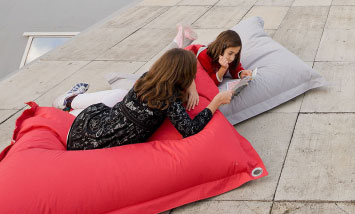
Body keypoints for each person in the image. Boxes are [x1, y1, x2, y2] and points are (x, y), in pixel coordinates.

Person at [57, 48, 233, 151]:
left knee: (113, 97)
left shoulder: (147, 77)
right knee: (114, 96)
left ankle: (68, 100)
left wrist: (190, 86)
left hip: (94, 126)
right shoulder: (169, 99)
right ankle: (68, 100)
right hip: (101, 142)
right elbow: (190, 130)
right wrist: (215, 102)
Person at [185, 29, 252, 86]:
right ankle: (184, 37)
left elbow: (235, 68)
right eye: (230, 53)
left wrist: (241, 73)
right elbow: (210, 83)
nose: (232, 58)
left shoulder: (230, 56)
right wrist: (223, 69)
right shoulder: (204, 57)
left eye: (235, 54)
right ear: (221, 49)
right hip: (186, 58)